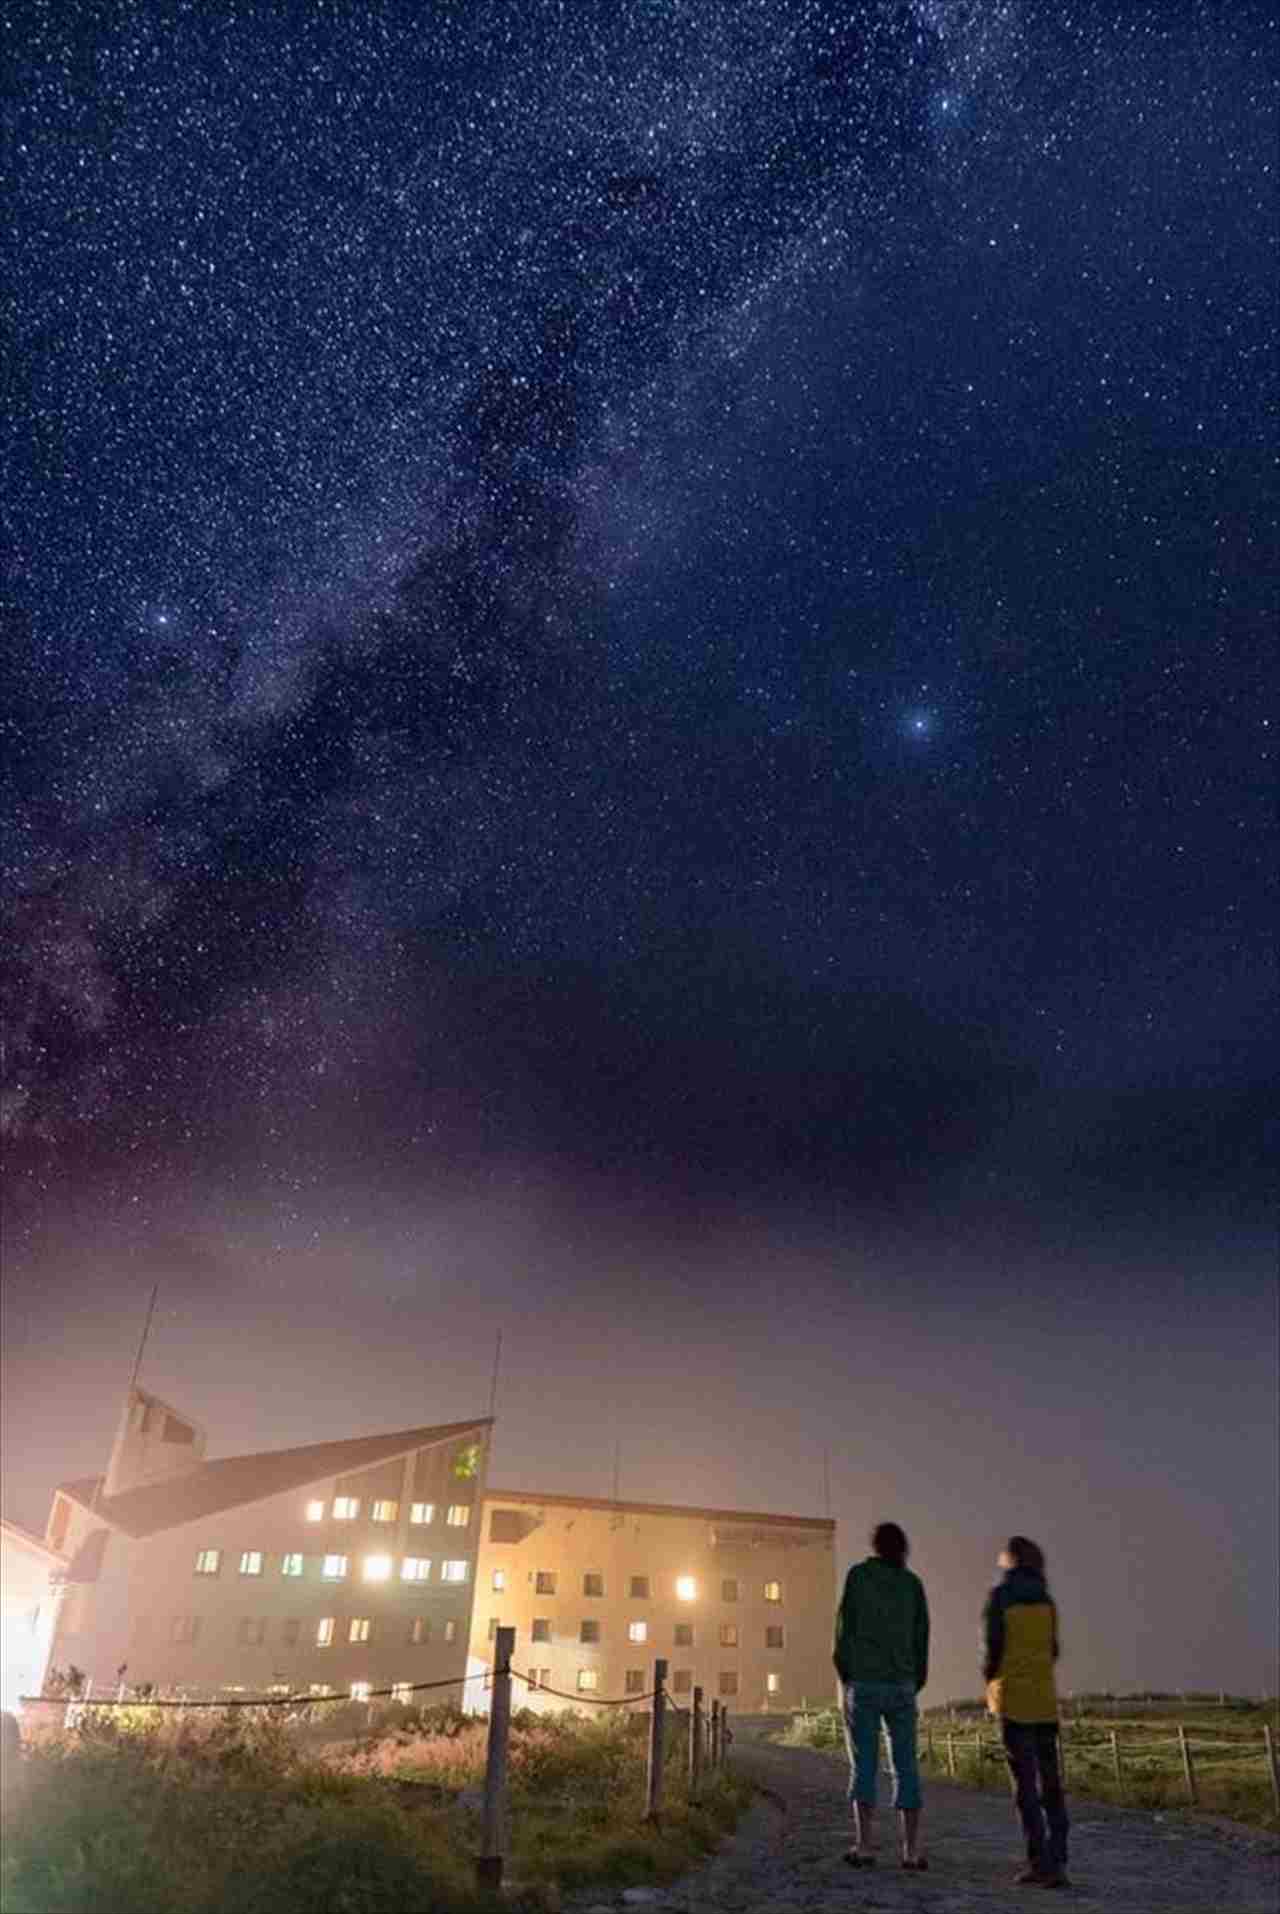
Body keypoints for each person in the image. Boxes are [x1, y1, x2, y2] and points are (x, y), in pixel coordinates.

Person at [832, 1520, 930, 1870]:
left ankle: (865, 1845)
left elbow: (844, 1630)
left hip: (864, 1683)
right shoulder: (913, 1585)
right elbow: (922, 1639)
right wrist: (914, 1679)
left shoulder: (858, 1577)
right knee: (906, 1766)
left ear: (874, 1546)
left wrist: (847, 1675)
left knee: (864, 1764)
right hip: (902, 1683)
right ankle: (911, 1850)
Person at [983, 1535, 1070, 1889]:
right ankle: (1059, 1858)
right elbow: (1053, 1650)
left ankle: (1038, 1861)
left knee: (1026, 1788)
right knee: (1051, 1785)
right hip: (1045, 1702)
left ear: (1011, 1560)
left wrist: (991, 1678)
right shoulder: (1047, 1599)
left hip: (1015, 1699)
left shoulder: (1000, 1597)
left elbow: (992, 1649)